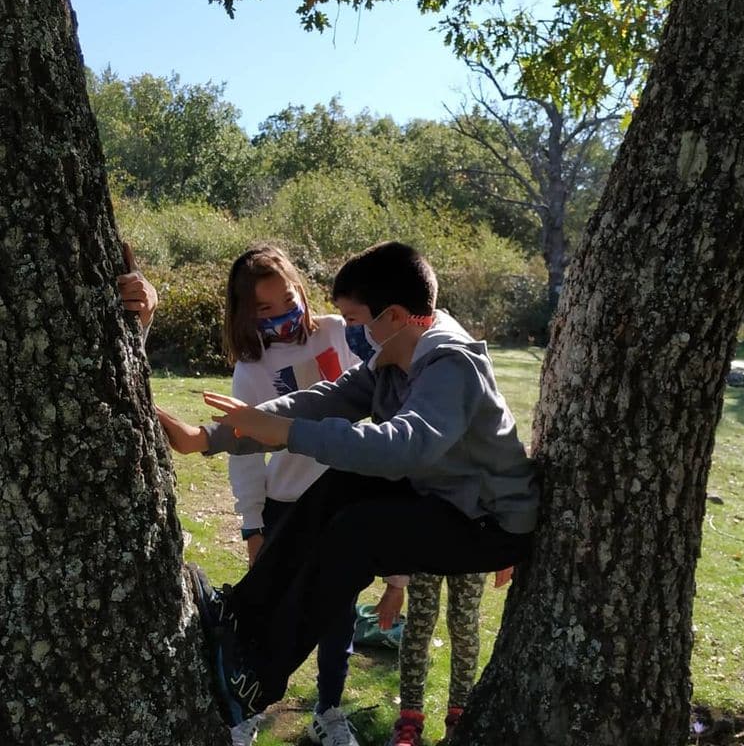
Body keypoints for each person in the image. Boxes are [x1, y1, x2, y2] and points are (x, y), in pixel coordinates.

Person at [156, 241, 540, 731]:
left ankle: (257, 678)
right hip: (446, 497)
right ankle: (239, 616)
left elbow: (405, 446)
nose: (349, 333)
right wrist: (207, 438)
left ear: (395, 315)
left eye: (356, 321)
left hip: (489, 523)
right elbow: (324, 400)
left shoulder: (451, 365)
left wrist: (291, 436)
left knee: (359, 533)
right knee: (341, 485)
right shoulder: (395, 350)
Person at [222, 243, 404, 746]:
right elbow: (244, 451)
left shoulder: (335, 330)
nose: (283, 313)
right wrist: (252, 525)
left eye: (287, 298)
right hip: (286, 505)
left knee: (337, 612)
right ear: (245, 311)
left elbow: (375, 390)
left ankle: (329, 710)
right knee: (270, 608)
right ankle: (248, 703)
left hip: (343, 494)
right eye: (264, 307)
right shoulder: (251, 369)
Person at [385, 567, 512, 746]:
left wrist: (504, 555)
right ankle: (409, 723)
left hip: (473, 548)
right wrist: (394, 583)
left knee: (464, 626)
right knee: (419, 624)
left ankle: (457, 720)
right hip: (426, 547)